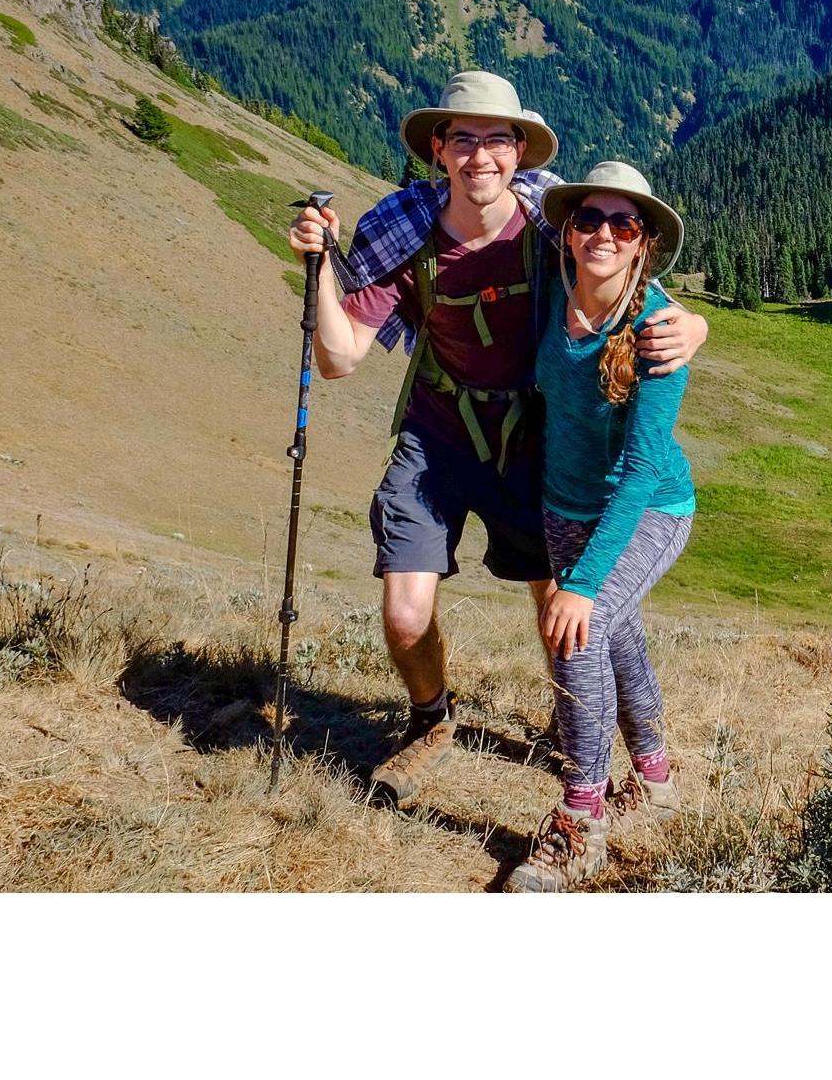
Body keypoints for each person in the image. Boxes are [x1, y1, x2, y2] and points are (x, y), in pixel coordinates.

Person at [285, 72, 708, 809]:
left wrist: (695, 327)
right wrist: (316, 271)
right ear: (439, 150)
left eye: (497, 140)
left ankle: (586, 741)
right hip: (437, 436)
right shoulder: (406, 232)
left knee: (566, 609)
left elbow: (627, 275)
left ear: (519, 152)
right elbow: (339, 356)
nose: (481, 156)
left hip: (532, 443)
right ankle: (433, 720)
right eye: (464, 139)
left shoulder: (552, 224)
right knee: (406, 611)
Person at [506, 160, 697, 892]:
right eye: (590, 219)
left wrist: (581, 583)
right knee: (618, 640)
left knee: (575, 632)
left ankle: (580, 818)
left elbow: (645, 471)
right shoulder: (554, 294)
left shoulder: (659, 334)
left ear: (644, 241)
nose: (605, 234)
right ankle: (654, 779)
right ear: (568, 230)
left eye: (625, 223)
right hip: (564, 505)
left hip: (648, 510)